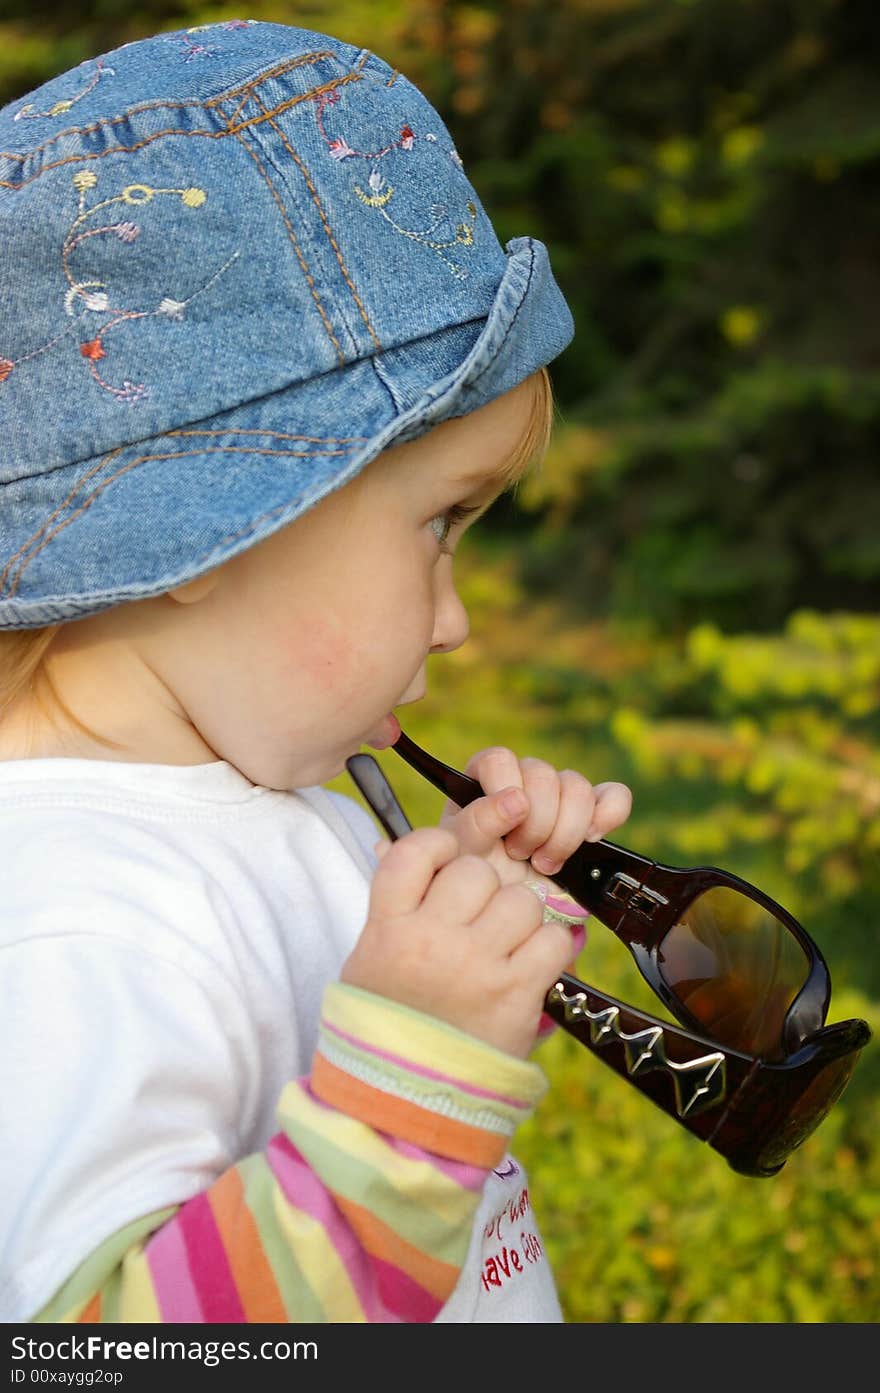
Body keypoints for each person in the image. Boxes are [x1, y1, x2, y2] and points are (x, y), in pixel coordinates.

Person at [0, 19, 632, 1323]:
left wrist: (467, 925)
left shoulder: (261, 798)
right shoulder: (75, 923)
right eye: (438, 525)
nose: (456, 621)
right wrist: (416, 1075)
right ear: (200, 533)